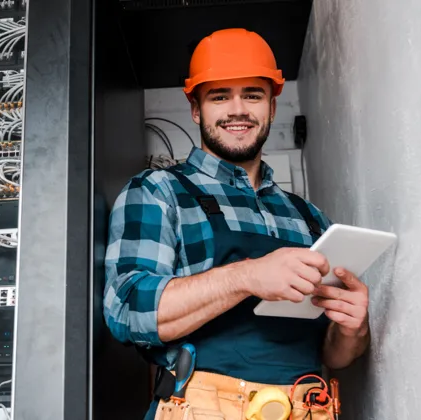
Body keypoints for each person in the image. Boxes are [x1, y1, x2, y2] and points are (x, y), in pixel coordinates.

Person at [103, 28, 370, 420]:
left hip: (307, 409)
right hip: (203, 409)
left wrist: (352, 330)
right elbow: (127, 309)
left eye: (252, 94)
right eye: (220, 96)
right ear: (196, 109)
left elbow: (331, 354)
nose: (238, 109)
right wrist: (245, 277)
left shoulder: (309, 218)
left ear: (272, 106)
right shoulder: (160, 192)